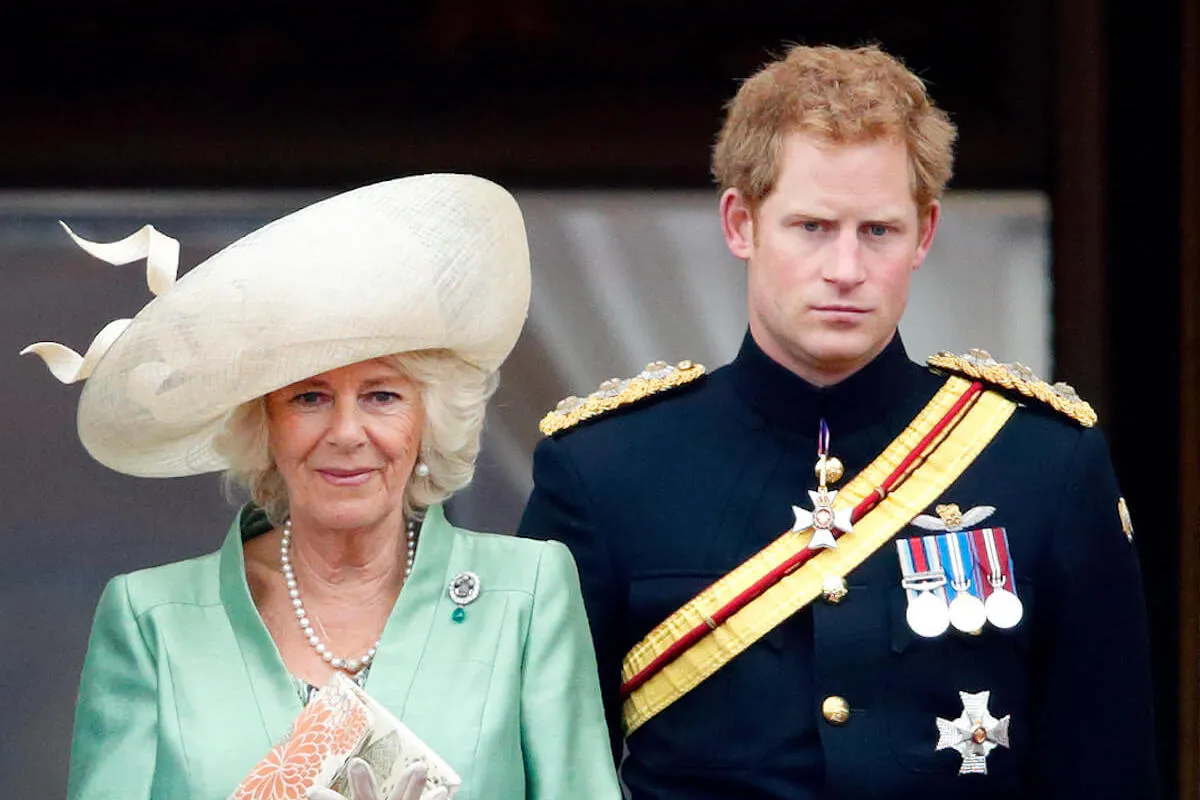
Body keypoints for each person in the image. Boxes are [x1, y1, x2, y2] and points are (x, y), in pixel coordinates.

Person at [518, 44, 1159, 798]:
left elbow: (1107, 772)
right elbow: (534, 767)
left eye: (878, 231)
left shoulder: (1045, 465)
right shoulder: (607, 470)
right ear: (741, 223)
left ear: (924, 234)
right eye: (813, 227)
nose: (846, 270)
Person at [24, 174, 622, 800]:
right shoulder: (152, 620)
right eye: (308, 397)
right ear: (264, 424)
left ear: (428, 419)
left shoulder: (525, 595)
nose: (345, 432)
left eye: (382, 396)